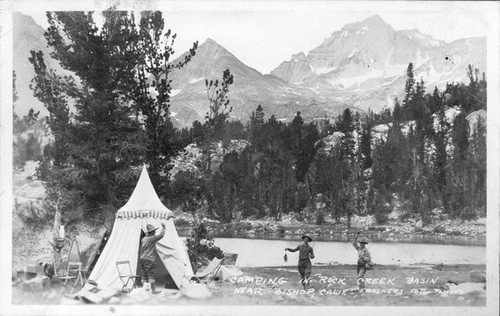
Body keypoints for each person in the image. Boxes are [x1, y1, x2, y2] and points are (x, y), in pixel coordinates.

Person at [140, 222, 166, 293]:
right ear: (152, 232)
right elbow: (161, 235)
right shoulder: (152, 238)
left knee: (144, 275)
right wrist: (164, 228)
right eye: (154, 231)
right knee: (150, 275)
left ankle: (144, 290)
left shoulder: (144, 239)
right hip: (149, 258)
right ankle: (152, 290)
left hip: (142, 258)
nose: (155, 232)